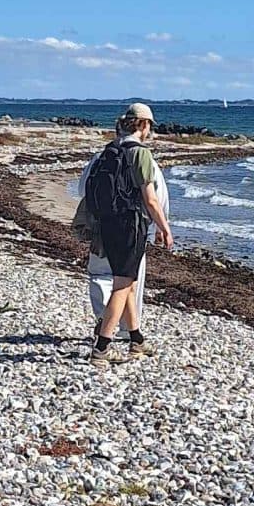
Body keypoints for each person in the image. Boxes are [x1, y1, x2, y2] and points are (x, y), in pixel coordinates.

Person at [84, 102, 175, 360]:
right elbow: (151, 199)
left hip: (106, 225)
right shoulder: (140, 154)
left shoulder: (108, 151)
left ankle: (137, 341)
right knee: (122, 286)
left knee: (129, 283)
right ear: (144, 125)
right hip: (130, 227)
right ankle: (102, 348)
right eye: (149, 126)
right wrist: (164, 227)